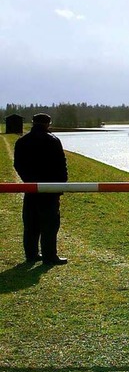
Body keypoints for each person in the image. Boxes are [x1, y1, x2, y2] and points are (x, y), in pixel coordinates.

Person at [13, 113, 69, 265]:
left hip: (31, 188)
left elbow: (17, 164)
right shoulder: (53, 141)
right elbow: (61, 164)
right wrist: (60, 186)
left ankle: (31, 254)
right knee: (50, 224)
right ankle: (49, 256)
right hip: (50, 188)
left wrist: (27, 180)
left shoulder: (22, 141)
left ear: (33, 123)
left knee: (31, 223)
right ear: (48, 124)